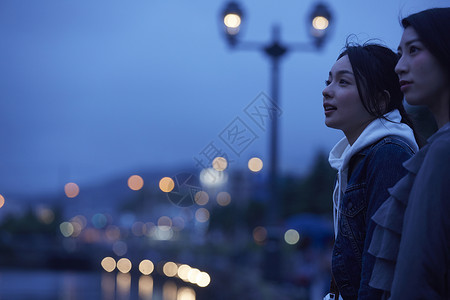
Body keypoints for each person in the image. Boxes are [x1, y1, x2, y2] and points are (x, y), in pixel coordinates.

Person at [322, 42, 419, 299]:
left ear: (379, 100)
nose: (326, 91)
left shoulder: (389, 155)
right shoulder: (360, 157)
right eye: (329, 81)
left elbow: (380, 271)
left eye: (343, 83)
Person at [368, 7, 450, 299]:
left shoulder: (440, 151)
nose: (399, 66)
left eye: (414, 50)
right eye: (400, 53)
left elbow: (414, 281)